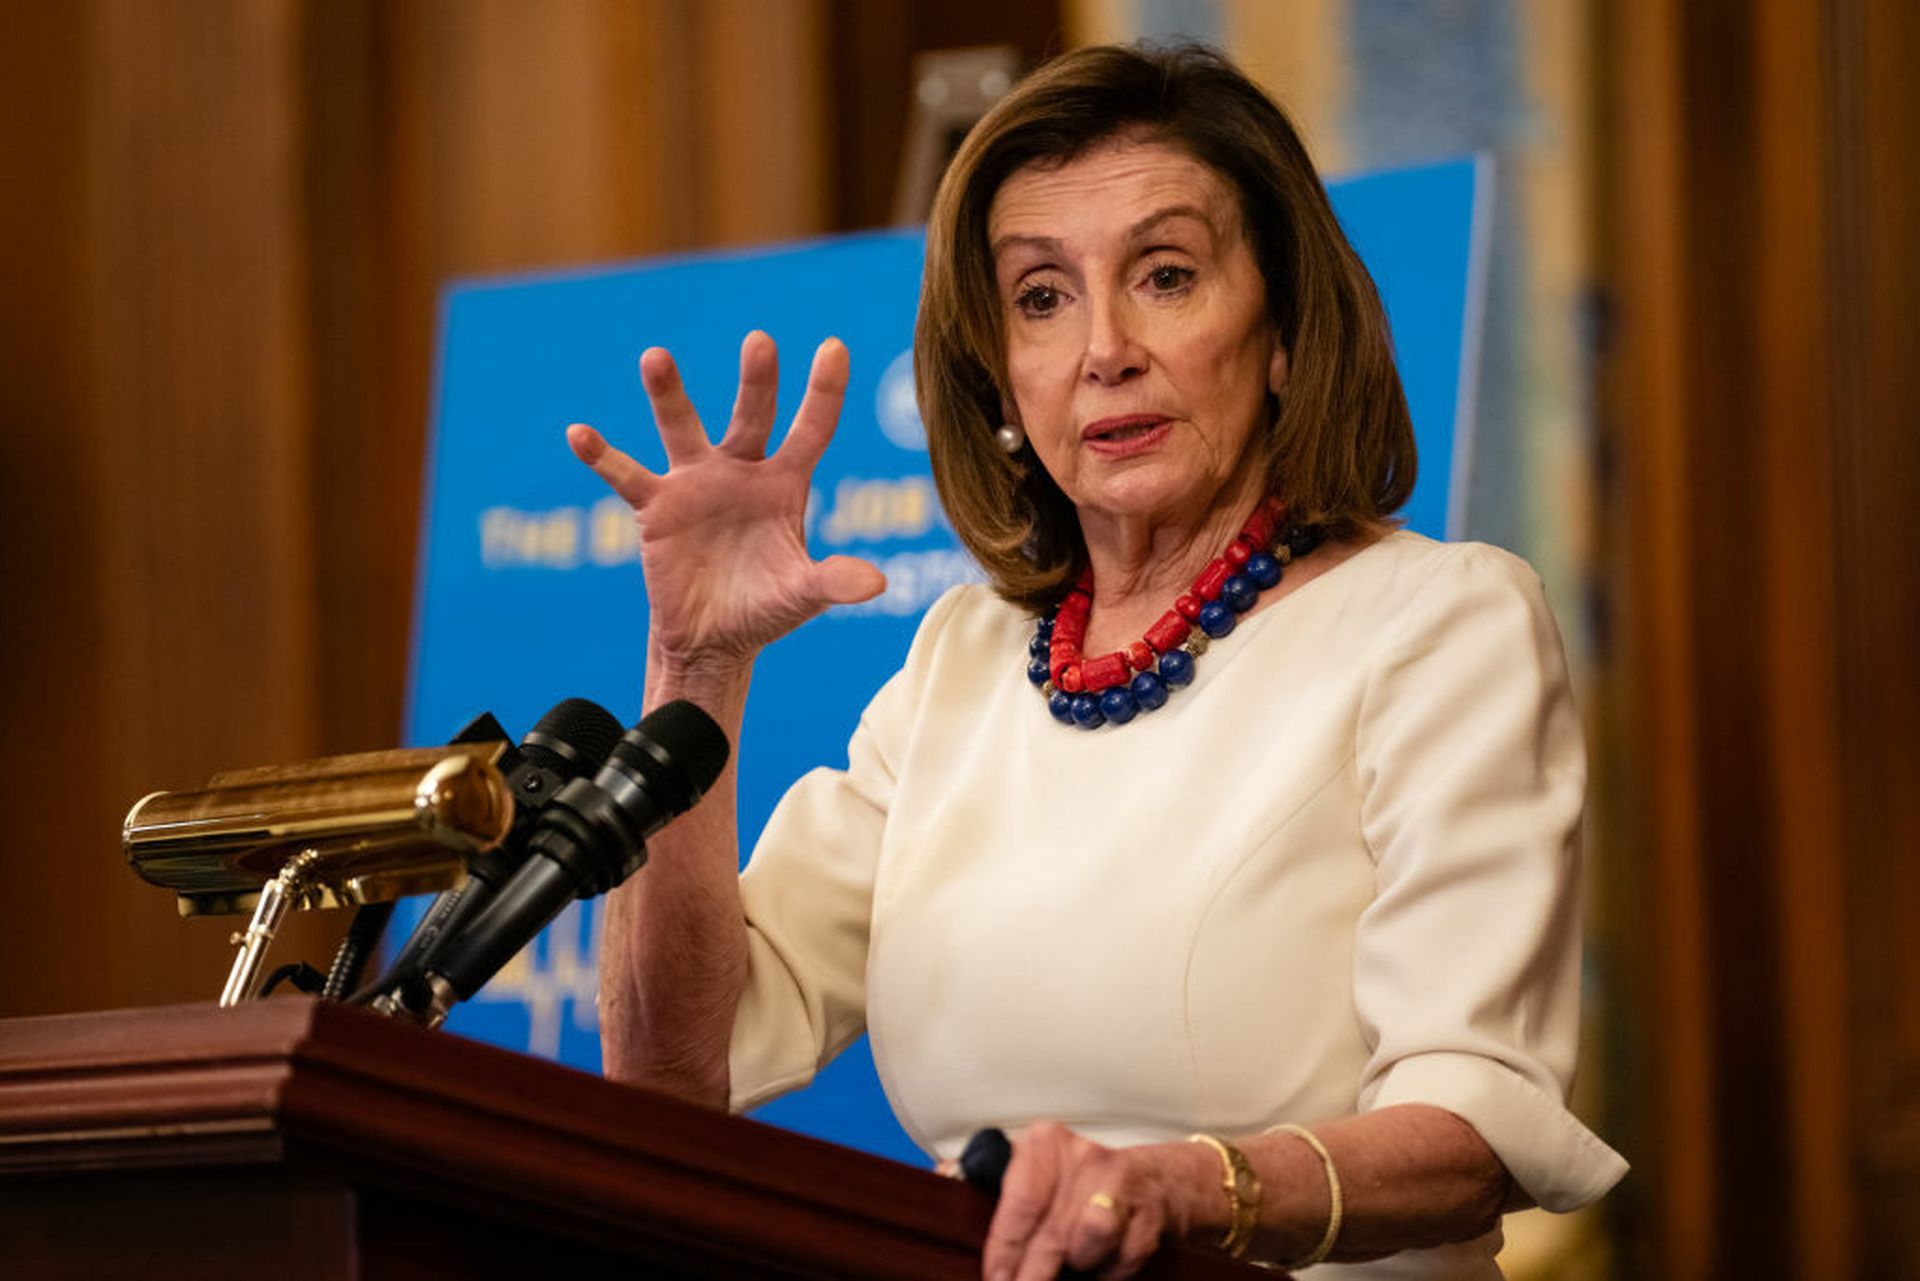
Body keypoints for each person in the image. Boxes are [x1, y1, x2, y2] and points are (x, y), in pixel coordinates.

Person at [567, 41, 1625, 1281]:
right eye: (1041, 298)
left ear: (1281, 329)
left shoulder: (1442, 624)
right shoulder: (962, 662)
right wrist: (696, 666)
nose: (1103, 348)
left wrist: (1186, 1188)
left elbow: (1474, 1128)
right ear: (1002, 379)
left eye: (1166, 275)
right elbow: (672, 1069)